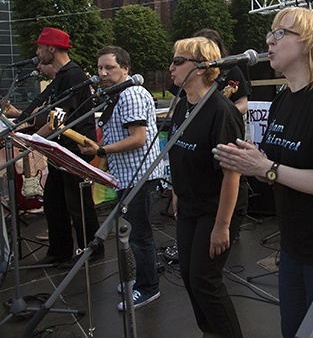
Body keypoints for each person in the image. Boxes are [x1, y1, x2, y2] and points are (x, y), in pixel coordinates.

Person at [213, 7, 313, 338]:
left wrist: (267, 168)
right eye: (269, 34)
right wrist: (250, 163)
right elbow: (273, 169)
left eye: (279, 33)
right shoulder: (283, 100)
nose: (269, 41)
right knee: (294, 332)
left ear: (308, 42)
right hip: (294, 245)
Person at [168, 37, 247, 337]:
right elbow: (178, 151)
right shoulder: (181, 105)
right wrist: (177, 191)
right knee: (189, 277)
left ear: (202, 68)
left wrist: (222, 226)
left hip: (214, 210)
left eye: (179, 61)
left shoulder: (220, 111)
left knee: (205, 280)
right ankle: (209, 332)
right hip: (189, 206)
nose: (171, 67)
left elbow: (231, 175)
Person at [78, 46, 163, 311]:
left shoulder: (132, 94)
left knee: (139, 236)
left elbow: (138, 139)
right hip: (127, 176)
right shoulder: (117, 95)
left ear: (125, 68)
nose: (102, 73)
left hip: (139, 176)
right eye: (100, 68)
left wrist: (100, 150)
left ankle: (149, 288)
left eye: (109, 68)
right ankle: (140, 280)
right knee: (133, 234)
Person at [31, 27, 103, 267]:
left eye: (40, 47)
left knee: (78, 204)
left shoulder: (72, 75)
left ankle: (91, 251)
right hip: (61, 150)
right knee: (54, 202)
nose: (38, 52)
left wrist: (36, 140)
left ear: (51, 48)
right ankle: (59, 251)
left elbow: (58, 118)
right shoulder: (62, 76)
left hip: (74, 149)